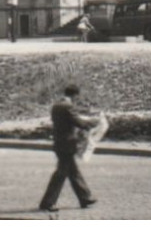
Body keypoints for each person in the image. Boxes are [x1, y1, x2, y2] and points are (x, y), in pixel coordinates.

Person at [38, 82, 98, 212]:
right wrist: (94, 122)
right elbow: (78, 122)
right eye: (77, 97)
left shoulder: (56, 105)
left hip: (59, 142)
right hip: (67, 143)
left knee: (73, 172)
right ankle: (48, 203)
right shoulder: (68, 106)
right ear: (75, 95)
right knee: (61, 174)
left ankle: (85, 197)